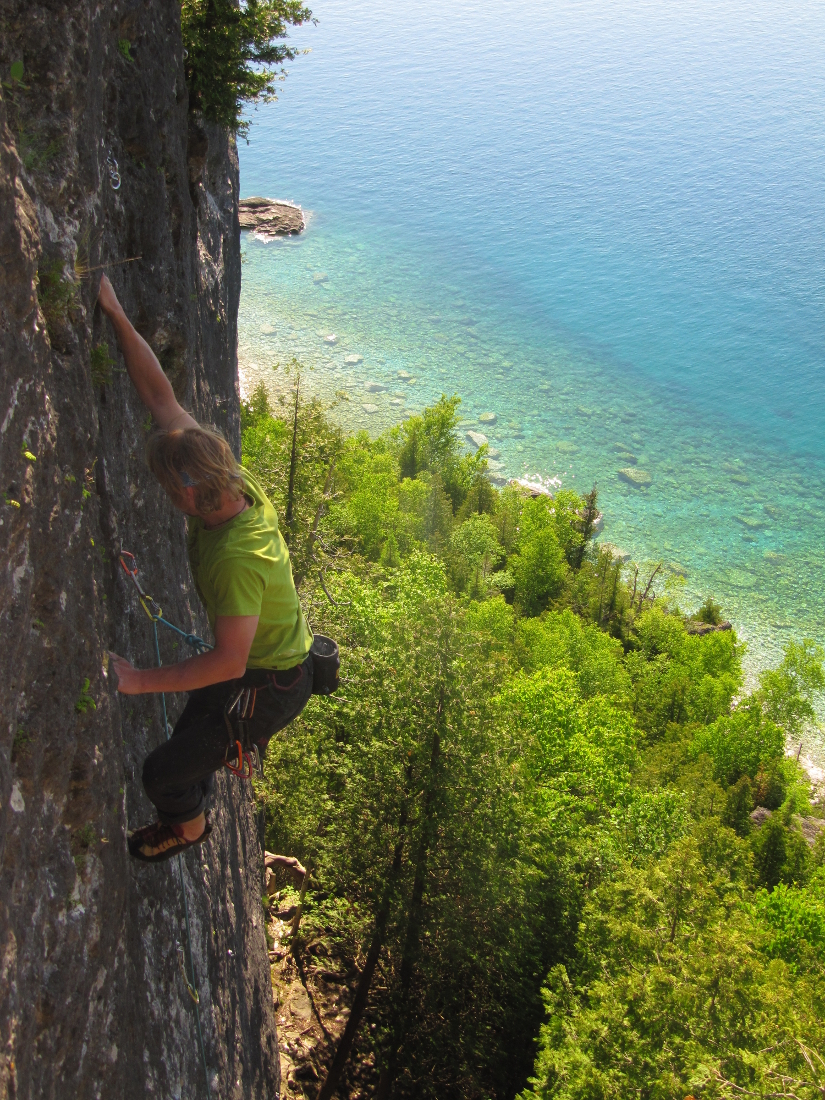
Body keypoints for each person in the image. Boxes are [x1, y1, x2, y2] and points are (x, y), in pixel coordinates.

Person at [98, 275, 314, 863]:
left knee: (163, 772)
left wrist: (137, 680)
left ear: (190, 494)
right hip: (262, 664)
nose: (168, 496)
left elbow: (228, 661)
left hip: (266, 686)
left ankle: (188, 829)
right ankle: (211, 763)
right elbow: (162, 399)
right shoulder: (224, 477)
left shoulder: (237, 559)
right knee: (196, 733)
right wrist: (116, 313)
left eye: (170, 489)